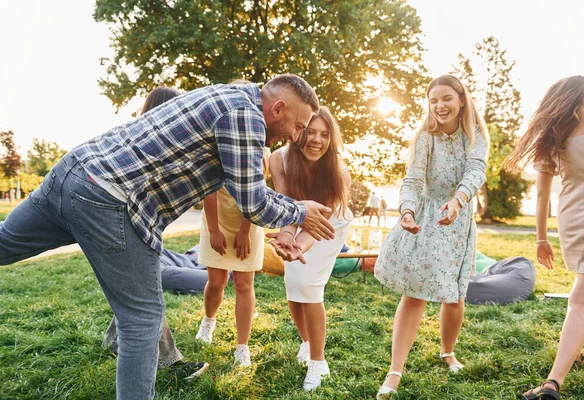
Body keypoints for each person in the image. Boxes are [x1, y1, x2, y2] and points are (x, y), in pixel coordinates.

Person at [0, 74, 335, 400]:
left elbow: (241, 189)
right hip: (109, 199)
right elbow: (253, 202)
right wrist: (300, 212)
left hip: (71, 171)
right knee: (142, 319)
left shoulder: (227, 96)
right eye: (299, 125)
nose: (297, 136)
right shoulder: (247, 116)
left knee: (5, 243)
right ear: (278, 109)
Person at [374, 75, 489, 399]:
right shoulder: (426, 136)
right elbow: (412, 180)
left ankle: (447, 352)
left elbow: (475, 171)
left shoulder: (475, 136)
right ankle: (395, 371)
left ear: (461, 100)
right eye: (434, 100)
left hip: (457, 216)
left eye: (446, 98)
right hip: (425, 218)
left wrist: (458, 200)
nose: (440, 105)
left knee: (454, 294)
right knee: (414, 293)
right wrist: (407, 211)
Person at [504, 76, 584, 400]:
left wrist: (541, 239)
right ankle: (553, 382)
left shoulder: (552, 138)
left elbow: (542, 196)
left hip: (577, 222)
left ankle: (565, 364)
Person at [100, 86, 206, 378]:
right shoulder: (147, 150)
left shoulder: (142, 142)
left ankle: (113, 338)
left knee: (133, 290)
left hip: (124, 227)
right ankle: (170, 362)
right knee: (147, 295)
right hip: (118, 226)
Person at [268, 106, 353, 391]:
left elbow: (318, 226)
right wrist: (287, 235)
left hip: (330, 225)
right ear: (298, 132)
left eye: (325, 135)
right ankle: (306, 343)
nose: (317, 140)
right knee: (294, 285)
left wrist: (297, 247)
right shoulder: (279, 159)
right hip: (297, 216)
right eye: (311, 132)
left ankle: (318, 363)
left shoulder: (337, 170)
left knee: (310, 285)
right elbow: (285, 201)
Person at [194, 147, 271, 367]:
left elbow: (255, 194)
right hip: (216, 218)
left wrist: (245, 232)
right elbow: (208, 191)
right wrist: (214, 231)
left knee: (244, 285)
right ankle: (208, 321)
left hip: (248, 219)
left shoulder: (261, 150)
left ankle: (242, 347)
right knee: (217, 282)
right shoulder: (218, 145)